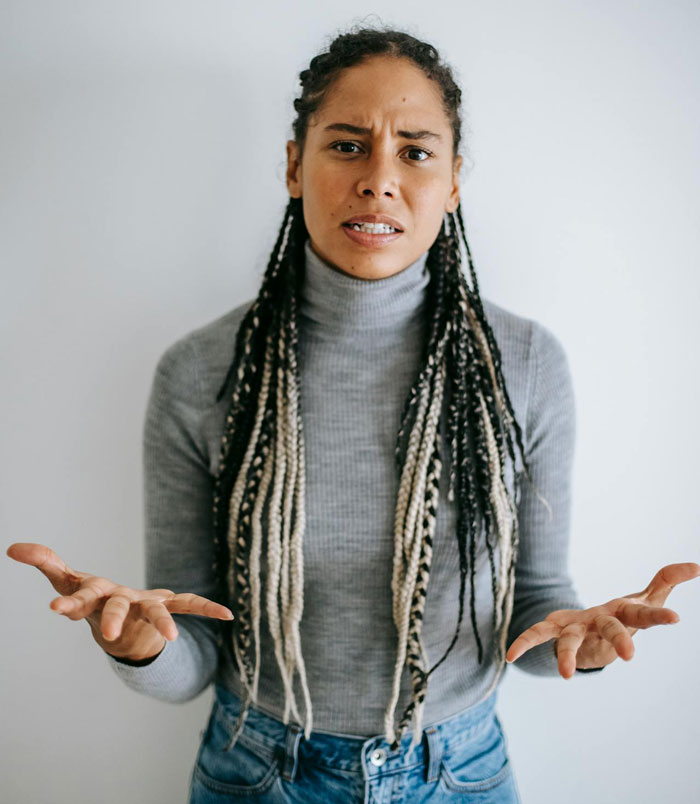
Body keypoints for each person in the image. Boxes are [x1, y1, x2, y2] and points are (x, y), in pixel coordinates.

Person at [7, 25, 699, 804]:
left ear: (455, 180)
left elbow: (537, 621)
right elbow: (191, 648)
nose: (379, 178)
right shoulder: (201, 372)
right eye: (346, 146)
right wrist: (141, 649)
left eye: (415, 149)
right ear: (296, 167)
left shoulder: (527, 365)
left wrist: (588, 643)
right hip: (257, 771)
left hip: (460, 773)